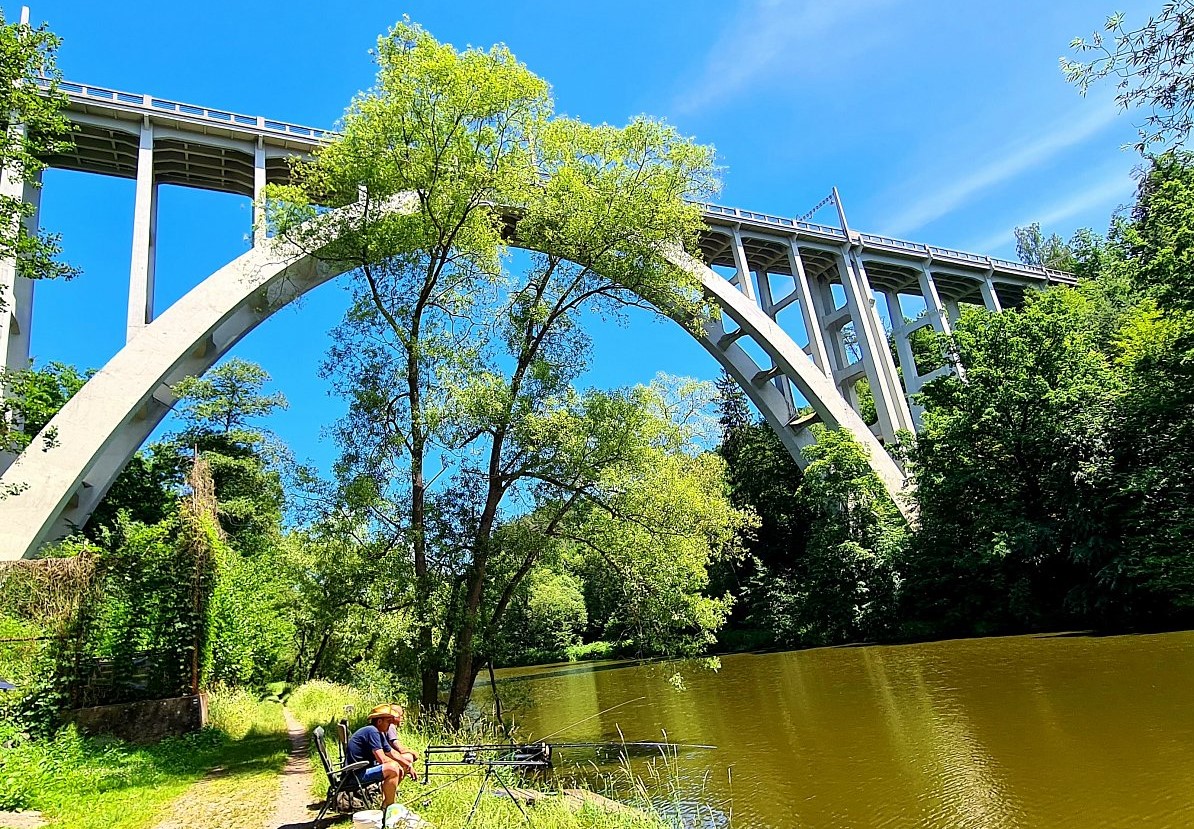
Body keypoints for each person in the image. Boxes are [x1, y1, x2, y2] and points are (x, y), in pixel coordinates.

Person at [346, 703, 419, 809]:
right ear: (379, 721)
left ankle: (386, 803)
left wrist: (408, 765)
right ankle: (389, 806)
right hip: (354, 775)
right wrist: (397, 765)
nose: (390, 725)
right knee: (393, 768)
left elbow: (392, 753)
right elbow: (382, 759)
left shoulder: (379, 732)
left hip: (363, 770)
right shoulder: (372, 731)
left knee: (398, 766)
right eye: (388, 721)